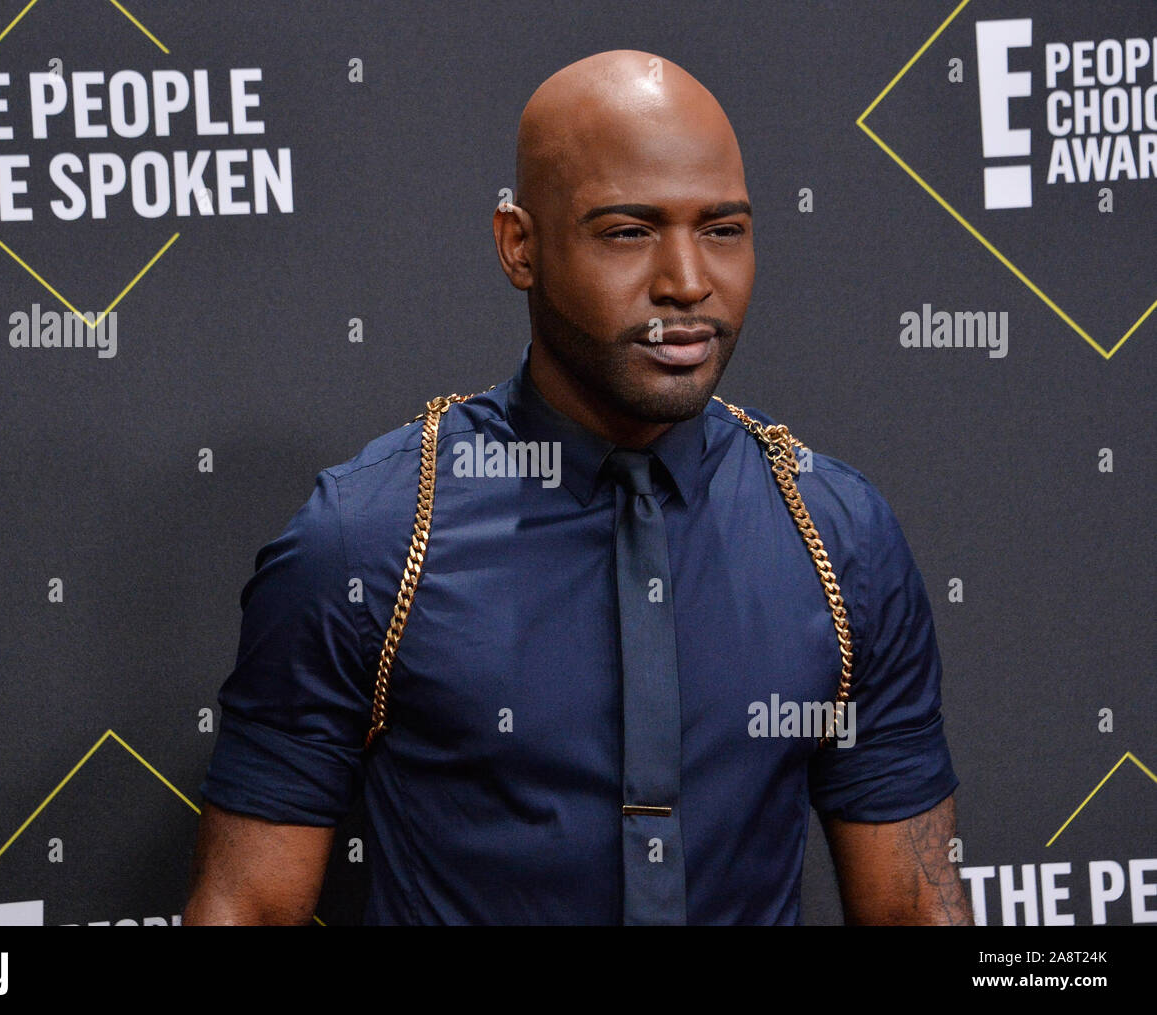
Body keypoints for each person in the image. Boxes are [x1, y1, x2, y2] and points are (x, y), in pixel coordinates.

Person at [183, 49, 972, 926]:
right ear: (519, 246)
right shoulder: (366, 540)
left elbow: (916, 909)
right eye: (628, 231)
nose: (686, 280)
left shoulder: (840, 536)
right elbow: (245, 908)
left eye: (723, 228)